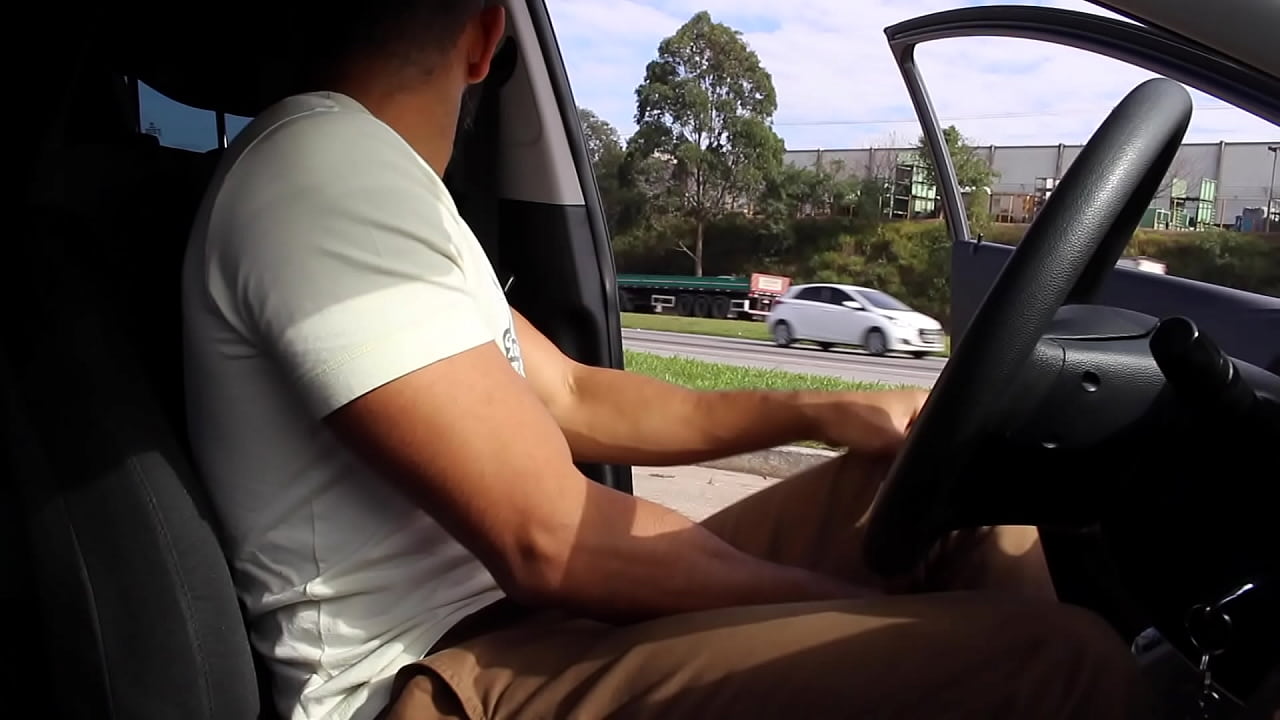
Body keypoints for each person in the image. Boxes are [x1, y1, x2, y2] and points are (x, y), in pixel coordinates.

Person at [181, 1, 1150, 718]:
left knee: (957, 501)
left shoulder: (388, 191)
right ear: (487, 38)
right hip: (437, 681)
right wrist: (842, 604)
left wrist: (822, 409)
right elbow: (551, 540)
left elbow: (565, 392)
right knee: (1067, 663)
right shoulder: (320, 170)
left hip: (520, 633)